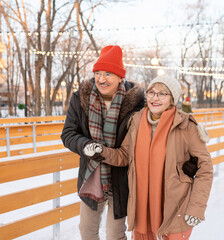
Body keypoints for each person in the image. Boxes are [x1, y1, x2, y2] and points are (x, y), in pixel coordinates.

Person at [84, 76, 213, 240]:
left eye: (162, 94)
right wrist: (101, 151)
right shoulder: (136, 121)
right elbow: (124, 155)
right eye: (151, 92)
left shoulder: (186, 125)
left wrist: (196, 208)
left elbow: (205, 169)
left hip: (175, 208)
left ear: (172, 99)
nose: (155, 98)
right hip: (142, 209)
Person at [61, 45, 145, 240]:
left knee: (115, 234)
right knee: (87, 231)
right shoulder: (80, 98)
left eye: (108, 73)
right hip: (91, 175)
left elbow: (160, 119)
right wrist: (85, 145)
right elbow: (68, 133)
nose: (101, 79)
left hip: (121, 176)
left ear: (120, 77)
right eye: (97, 73)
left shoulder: (136, 103)